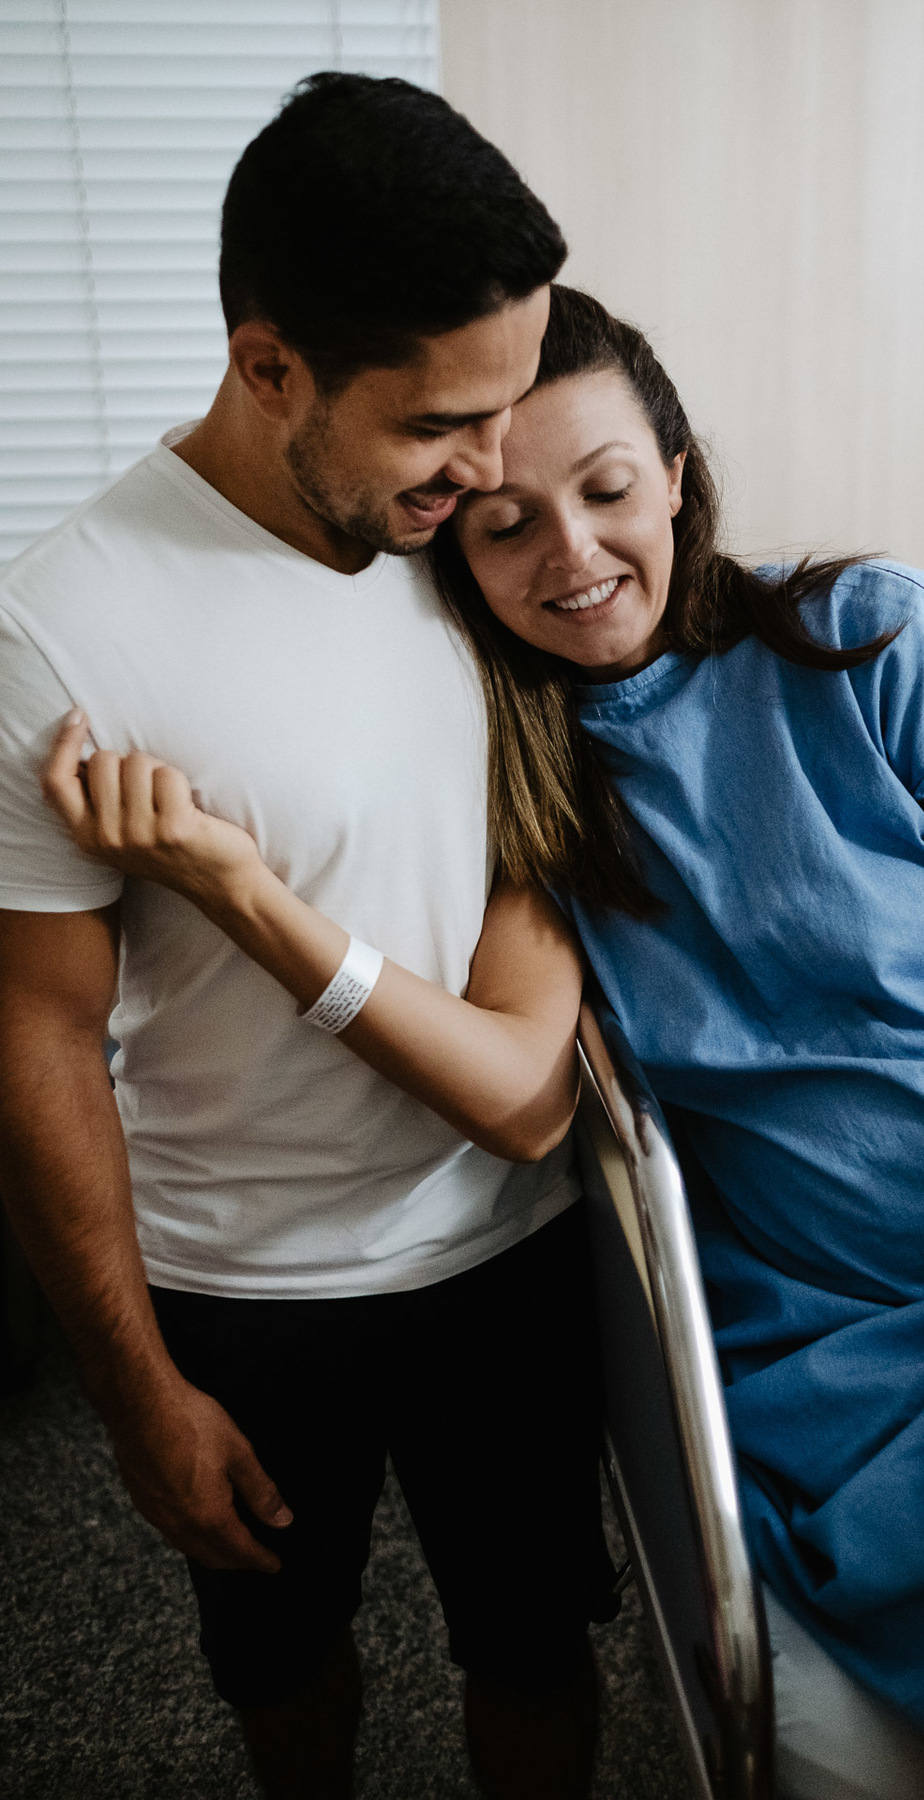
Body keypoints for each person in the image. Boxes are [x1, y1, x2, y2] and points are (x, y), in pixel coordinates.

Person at [39, 286, 924, 1799]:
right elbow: (520, 1097)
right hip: (860, 1337)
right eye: (507, 525)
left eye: (605, 491)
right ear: (453, 552)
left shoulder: (881, 640)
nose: (574, 558)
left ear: (676, 475)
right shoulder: (516, 790)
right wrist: (236, 886)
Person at [0, 83, 613, 1800]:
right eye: (437, 426)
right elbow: (40, 1036)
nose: (491, 471)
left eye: (505, 407)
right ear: (271, 369)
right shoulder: (63, 629)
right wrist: (133, 1395)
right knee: (278, 1656)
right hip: (243, 1285)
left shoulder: (475, 547)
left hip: (508, 1249)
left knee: (538, 1642)